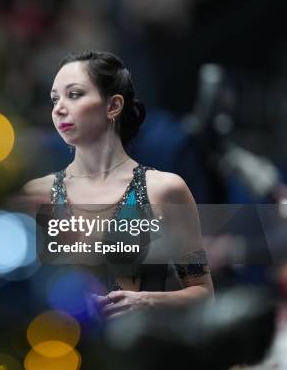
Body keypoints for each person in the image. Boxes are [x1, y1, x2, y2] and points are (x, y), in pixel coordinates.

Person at [21, 50, 213, 319]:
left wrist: (146, 300)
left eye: (74, 95)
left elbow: (203, 292)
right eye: (55, 99)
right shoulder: (37, 193)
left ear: (113, 106)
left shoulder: (166, 189)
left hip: (144, 350)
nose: (59, 108)